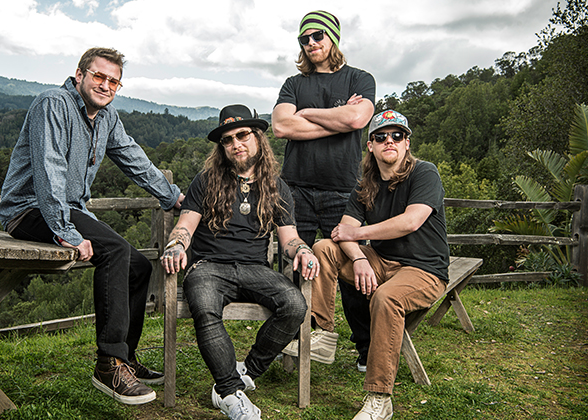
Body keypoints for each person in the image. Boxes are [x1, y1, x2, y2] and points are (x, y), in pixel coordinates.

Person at [0, 47, 185, 406]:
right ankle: (108, 364)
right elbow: (49, 168)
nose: (106, 85)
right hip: (29, 209)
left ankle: (125, 359)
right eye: (99, 76)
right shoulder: (53, 103)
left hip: (66, 209)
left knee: (138, 266)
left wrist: (172, 196)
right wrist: (65, 231)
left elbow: (133, 158)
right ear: (80, 74)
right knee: (114, 251)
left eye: (114, 81)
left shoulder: (107, 118)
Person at [161, 105, 316, 420]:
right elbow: (185, 226)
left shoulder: (276, 187)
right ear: (222, 147)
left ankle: (246, 372)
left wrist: (303, 250)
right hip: (209, 267)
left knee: (294, 304)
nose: (236, 144)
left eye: (242, 135)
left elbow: (289, 238)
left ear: (258, 138)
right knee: (205, 307)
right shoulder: (206, 180)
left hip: (255, 269)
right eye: (228, 139)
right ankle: (231, 395)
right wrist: (176, 245)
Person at [311, 110, 450, 420]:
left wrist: (358, 235)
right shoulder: (365, 186)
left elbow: (411, 222)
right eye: (381, 136)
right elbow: (342, 233)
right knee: (323, 248)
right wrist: (359, 256)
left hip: (424, 270)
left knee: (386, 298)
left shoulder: (425, 172)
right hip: (379, 261)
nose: (390, 141)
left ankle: (379, 398)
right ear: (370, 146)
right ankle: (323, 334)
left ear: (406, 143)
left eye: (397, 135)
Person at [272, 10, 376, 366]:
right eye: (305, 38)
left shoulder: (359, 79)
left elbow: (358, 118)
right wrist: (338, 120)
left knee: (349, 268)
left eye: (318, 35)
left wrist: (305, 114)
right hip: (296, 189)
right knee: (294, 268)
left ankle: (365, 349)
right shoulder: (293, 83)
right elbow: (282, 127)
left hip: (343, 190)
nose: (311, 43)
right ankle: (294, 342)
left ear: (333, 37)